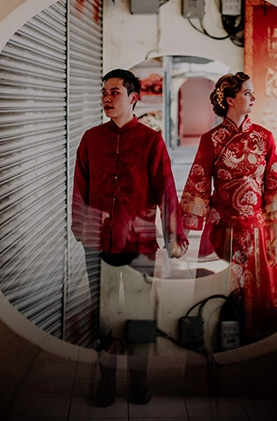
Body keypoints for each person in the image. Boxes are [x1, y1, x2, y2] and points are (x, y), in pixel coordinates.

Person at [71, 68, 189, 407]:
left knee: (139, 316)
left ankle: (139, 379)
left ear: (134, 98)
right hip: (97, 244)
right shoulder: (91, 139)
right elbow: (80, 189)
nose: (107, 98)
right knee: (102, 317)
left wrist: (174, 235)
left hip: (139, 244)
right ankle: (105, 380)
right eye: (104, 92)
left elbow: (166, 190)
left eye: (115, 92)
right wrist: (82, 229)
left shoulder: (151, 141)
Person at [180, 71, 277, 341]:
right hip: (222, 230)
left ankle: (257, 351)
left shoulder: (264, 138)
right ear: (230, 100)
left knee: (257, 304)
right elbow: (198, 183)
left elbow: (275, 186)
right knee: (219, 298)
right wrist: (181, 232)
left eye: (252, 92)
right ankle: (216, 349)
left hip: (258, 231)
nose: (253, 97)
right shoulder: (211, 140)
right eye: (246, 93)